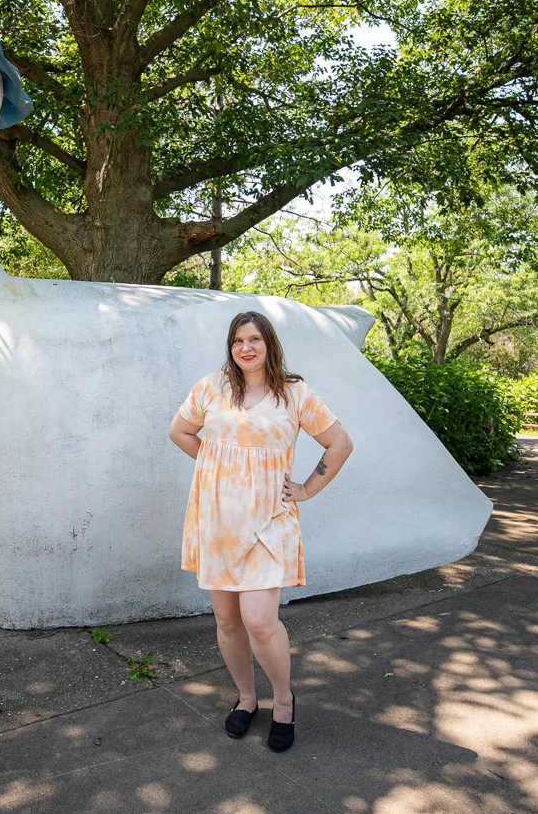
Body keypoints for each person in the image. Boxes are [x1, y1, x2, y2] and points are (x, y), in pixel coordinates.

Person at [168, 310, 354, 752]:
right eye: (237, 341)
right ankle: (248, 699)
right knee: (227, 621)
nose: (245, 348)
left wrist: (307, 488)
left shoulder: (295, 393)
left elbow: (340, 443)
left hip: (269, 520)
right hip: (217, 522)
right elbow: (179, 431)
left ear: (268, 344)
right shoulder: (212, 386)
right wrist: (219, 469)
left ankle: (284, 700)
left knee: (260, 622)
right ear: (230, 348)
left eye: (254, 339)